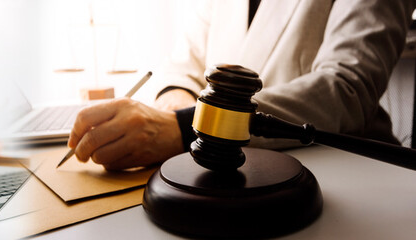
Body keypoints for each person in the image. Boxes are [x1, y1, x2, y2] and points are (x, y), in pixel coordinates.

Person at [68, 0, 415, 170]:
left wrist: (188, 127)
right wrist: (175, 104)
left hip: (347, 171)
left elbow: (345, 88)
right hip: (233, 170)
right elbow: (184, 63)